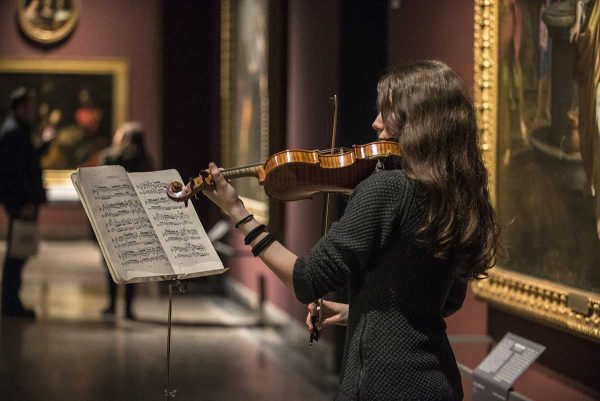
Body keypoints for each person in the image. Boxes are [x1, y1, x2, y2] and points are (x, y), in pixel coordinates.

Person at [204, 60, 499, 400]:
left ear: (419, 122)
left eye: (388, 113)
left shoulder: (385, 189)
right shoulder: (461, 195)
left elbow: (307, 278)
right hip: (439, 383)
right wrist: (354, 312)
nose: (375, 123)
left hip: (381, 385)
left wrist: (238, 212)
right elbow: (444, 302)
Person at [0, 87, 55, 318]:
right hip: (21, 203)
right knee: (17, 253)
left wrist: (44, 144)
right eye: (29, 106)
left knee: (19, 251)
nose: (33, 111)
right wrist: (24, 202)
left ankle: (12, 301)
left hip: (22, 202)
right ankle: (11, 303)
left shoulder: (17, 130)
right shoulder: (13, 132)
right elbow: (14, 172)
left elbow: (27, 158)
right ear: (20, 108)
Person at [98, 121, 153, 319]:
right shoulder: (146, 161)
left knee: (111, 263)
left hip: (113, 216)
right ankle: (129, 309)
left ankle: (112, 306)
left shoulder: (109, 156)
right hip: (136, 219)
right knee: (132, 264)